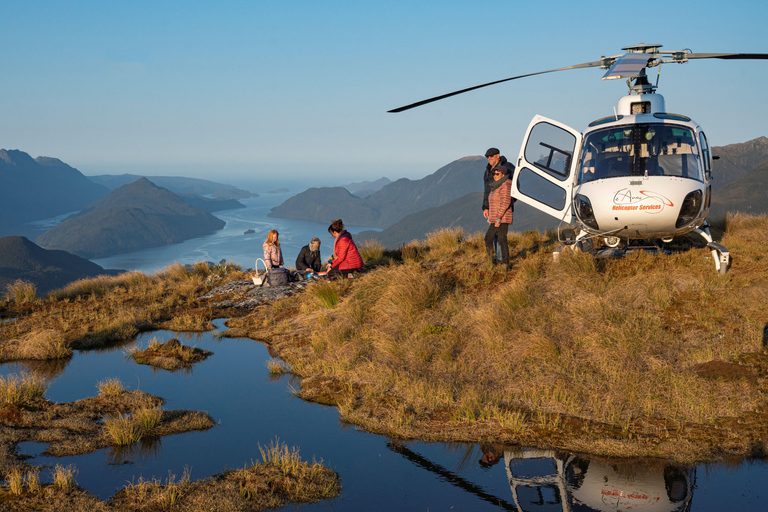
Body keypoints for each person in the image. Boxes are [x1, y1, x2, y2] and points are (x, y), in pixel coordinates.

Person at [483, 147, 515, 262]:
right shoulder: (488, 171)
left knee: (500, 238)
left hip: (502, 212)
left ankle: (502, 261)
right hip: (493, 210)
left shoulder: (508, 167)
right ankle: (494, 259)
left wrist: (509, 203)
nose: (489, 158)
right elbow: (487, 190)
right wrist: (486, 207)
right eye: (487, 156)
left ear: (498, 155)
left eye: (491, 156)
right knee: (492, 237)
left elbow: (512, 189)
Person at [485, 166, 513, 268]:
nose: (495, 176)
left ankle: (505, 263)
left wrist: (498, 218)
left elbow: (505, 202)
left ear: (504, 175)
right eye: (494, 174)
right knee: (488, 238)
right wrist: (491, 217)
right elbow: (494, 203)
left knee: (501, 239)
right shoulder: (496, 186)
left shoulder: (506, 185)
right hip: (495, 218)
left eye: (498, 174)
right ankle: (491, 261)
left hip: (502, 218)